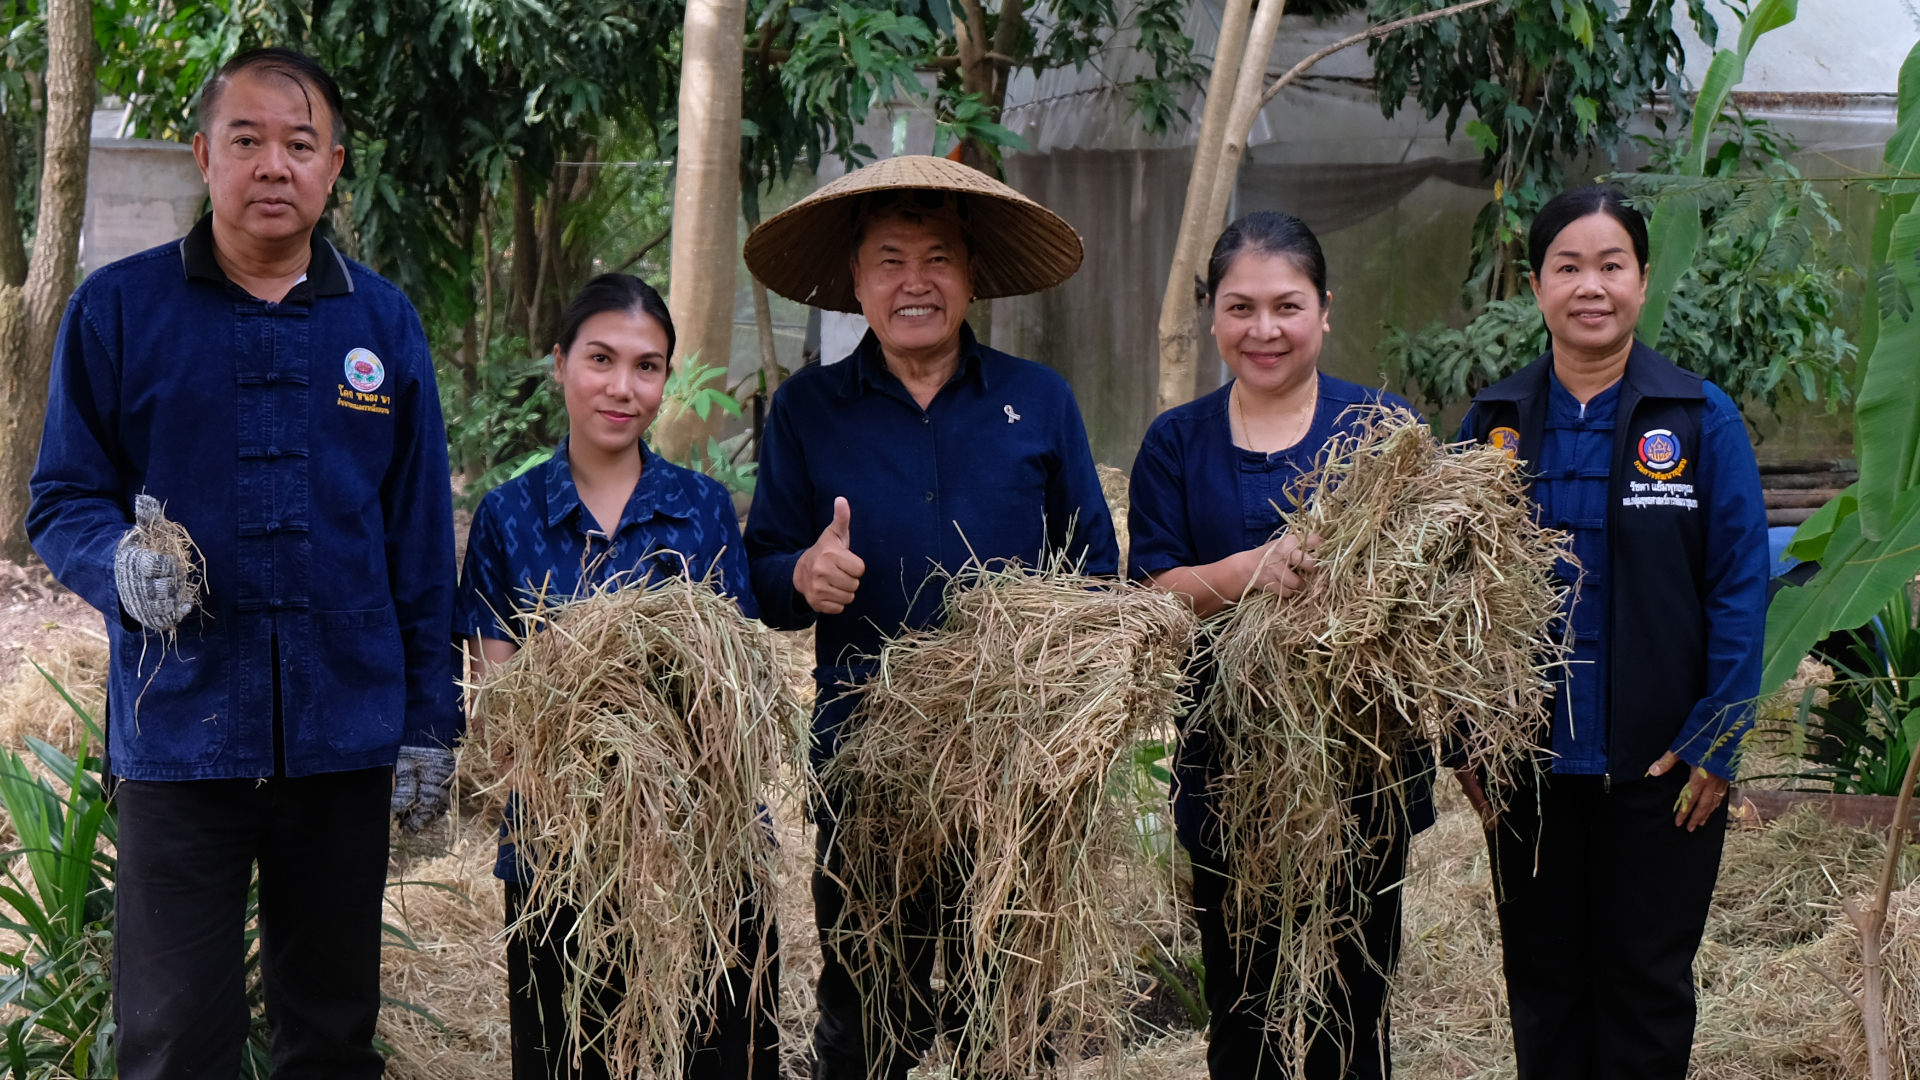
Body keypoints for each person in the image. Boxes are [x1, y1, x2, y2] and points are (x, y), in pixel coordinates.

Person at [26, 48, 460, 1078]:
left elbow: (419, 540)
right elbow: (61, 499)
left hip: (343, 740)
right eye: (248, 140)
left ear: (335, 166)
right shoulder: (119, 311)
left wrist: (428, 728)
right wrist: (121, 565)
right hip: (181, 738)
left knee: (331, 1033)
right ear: (202, 156)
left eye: (301, 145)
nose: (275, 165)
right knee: (172, 1041)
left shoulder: (382, 325)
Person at [741, 155, 1119, 1080]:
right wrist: (806, 573)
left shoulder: (1040, 402)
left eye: (939, 257)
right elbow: (760, 573)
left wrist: (1055, 672)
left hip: (1012, 764)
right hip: (863, 757)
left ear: (973, 274)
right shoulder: (806, 411)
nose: (917, 281)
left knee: (1010, 1010)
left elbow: (1097, 571)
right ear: (856, 284)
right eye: (891, 259)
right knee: (868, 1013)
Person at [1453, 185, 1768, 1079]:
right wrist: (1467, 738)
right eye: (1568, 266)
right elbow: (1451, 597)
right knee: (1546, 989)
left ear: (1642, 277)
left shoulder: (1700, 419)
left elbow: (1741, 586)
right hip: (1531, 769)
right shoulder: (1493, 425)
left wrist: (1717, 737)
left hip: (1662, 769)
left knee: (1646, 987)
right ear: (1536, 284)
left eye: (1612, 265)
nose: (1591, 286)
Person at [1127, 210, 1434, 1079]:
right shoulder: (1175, 445)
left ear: (1325, 310)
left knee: (1354, 1008)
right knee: (1244, 1009)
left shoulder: (1385, 432)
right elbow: (1150, 593)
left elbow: (1436, 595)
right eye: (1240, 307)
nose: (1264, 330)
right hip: (1228, 768)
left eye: (1287, 306)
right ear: (1212, 314)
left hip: (1361, 768)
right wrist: (1248, 570)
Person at [456, 274, 780, 1080]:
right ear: (560, 362)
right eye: (601, 359)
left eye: (647, 366)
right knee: (570, 1061)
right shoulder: (508, 516)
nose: (622, 387)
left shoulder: (702, 509)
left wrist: (666, 786)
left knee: (723, 1057)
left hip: (706, 851)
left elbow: (730, 693)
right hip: (556, 855)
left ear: (666, 379)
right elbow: (497, 715)